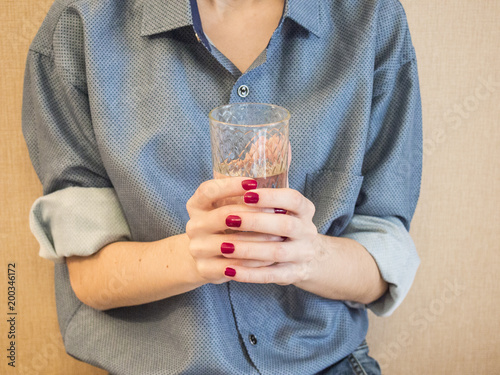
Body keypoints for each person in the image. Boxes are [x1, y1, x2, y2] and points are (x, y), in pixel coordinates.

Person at [22, 0, 422, 373]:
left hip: (323, 364)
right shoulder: (82, 26)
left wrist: (309, 254)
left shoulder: (371, 17)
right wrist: (192, 257)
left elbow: (380, 263)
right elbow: (89, 279)